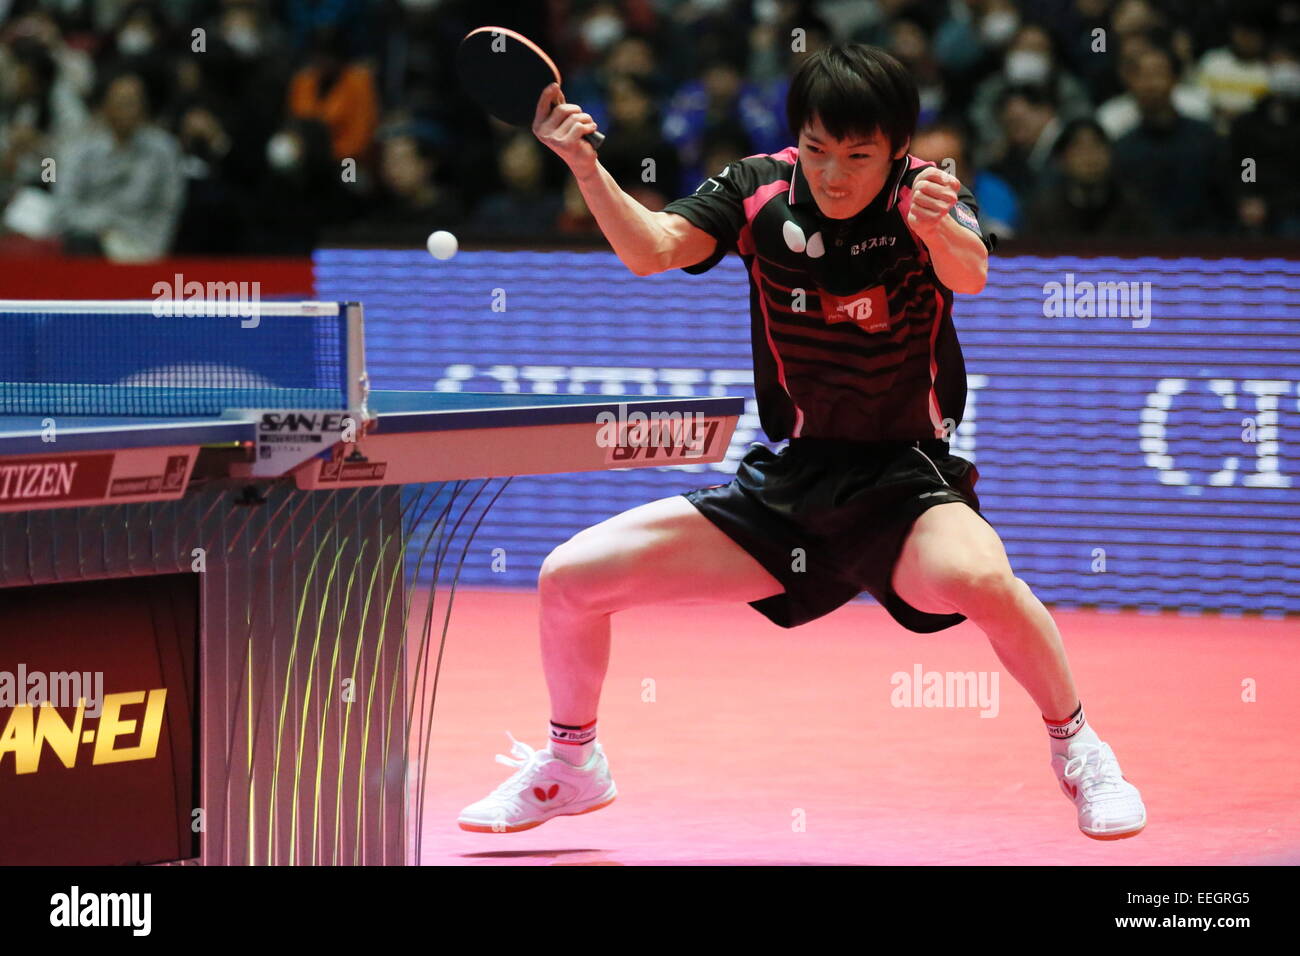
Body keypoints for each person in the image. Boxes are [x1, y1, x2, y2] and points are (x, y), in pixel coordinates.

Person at [457, 44, 1148, 843]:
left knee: (981, 578)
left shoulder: (925, 193)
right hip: (792, 485)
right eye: (818, 150)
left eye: (858, 156)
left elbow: (973, 276)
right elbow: (650, 249)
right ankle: (572, 765)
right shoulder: (756, 190)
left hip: (907, 481)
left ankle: (1080, 750)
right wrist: (581, 165)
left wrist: (936, 232)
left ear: (895, 148)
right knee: (568, 579)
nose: (834, 174)